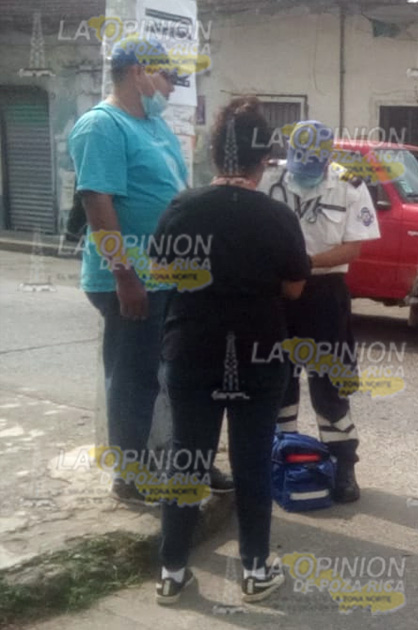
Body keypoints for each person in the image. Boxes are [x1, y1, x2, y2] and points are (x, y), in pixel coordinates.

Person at [152, 96, 311, 605]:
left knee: (187, 460)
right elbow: (293, 289)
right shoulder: (276, 216)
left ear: (215, 157)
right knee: (250, 463)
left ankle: (173, 573)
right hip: (258, 354)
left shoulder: (182, 207)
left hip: (191, 350)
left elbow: (160, 276)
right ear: (263, 160)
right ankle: (255, 570)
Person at [68, 36, 232, 503]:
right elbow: (97, 202)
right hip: (131, 280)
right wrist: (125, 275)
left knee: (178, 375)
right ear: (138, 71)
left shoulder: (154, 127)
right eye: (166, 77)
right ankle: (130, 475)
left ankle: (189, 460)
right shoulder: (102, 127)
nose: (170, 88)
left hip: (171, 276)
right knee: (134, 374)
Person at [261, 120, 381, 503]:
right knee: (278, 380)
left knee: (329, 383)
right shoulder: (269, 178)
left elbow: (353, 248)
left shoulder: (350, 183)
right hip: (276, 293)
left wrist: (304, 266)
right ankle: (281, 458)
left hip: (325, 292)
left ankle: (344, 466)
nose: (305, 170)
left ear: (329, 157)